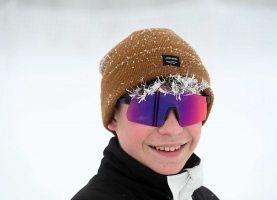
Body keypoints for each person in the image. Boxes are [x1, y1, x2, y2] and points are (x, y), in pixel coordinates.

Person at [71, 28, 219, 200]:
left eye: (189, 107)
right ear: (113, 117)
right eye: (149, 108)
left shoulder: (205, 197)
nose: (172, 129)